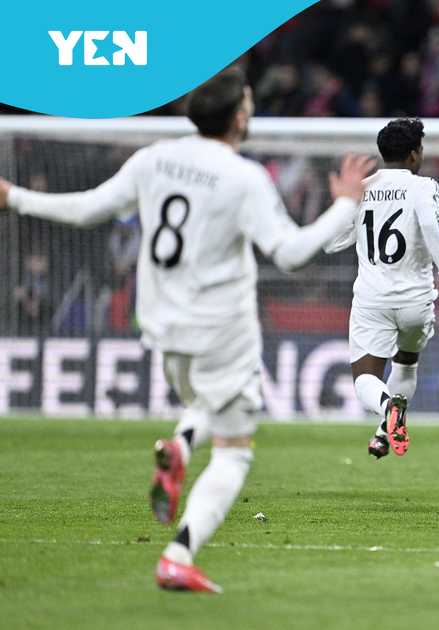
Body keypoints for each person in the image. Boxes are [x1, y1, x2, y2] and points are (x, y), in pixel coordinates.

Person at [0, 68, 375, 592]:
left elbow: (88, 209)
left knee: (207, 399)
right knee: (234, 450)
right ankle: (179, 554)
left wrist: (15, 196)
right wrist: (345, 204)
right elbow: (289, 253)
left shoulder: (154, 158)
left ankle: (179, 445)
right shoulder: (243, 177)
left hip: (162, 329)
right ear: (239, 117)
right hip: (220, 328)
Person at [323, 118, 439, 459]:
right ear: (415, 154)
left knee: (364, 380)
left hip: (372, 300)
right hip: (416, 301)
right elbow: (430, 224)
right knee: (406, 365)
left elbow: (330, 242)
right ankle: (382, 432)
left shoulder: (362, 188)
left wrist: (351, 223)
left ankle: (388, 407)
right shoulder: (425, 186)